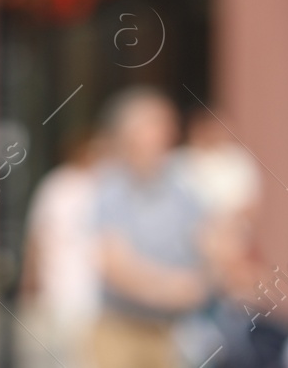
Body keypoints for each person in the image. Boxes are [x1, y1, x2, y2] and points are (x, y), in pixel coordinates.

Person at [92, 87, 212, 368]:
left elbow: (209, 243)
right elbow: (115, 265)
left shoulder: (183, 186)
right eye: (158, 124)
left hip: (174, 332)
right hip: (122, 330)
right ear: (131, 134)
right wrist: (174, 287)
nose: (169, 133)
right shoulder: (112, 187)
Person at [29, 131, 104, 367]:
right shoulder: (58, 185)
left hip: (97, 284)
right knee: (65, 347)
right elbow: (39, 232)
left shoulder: (106, 185)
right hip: (62, 279)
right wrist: (33, 273)